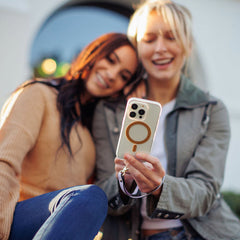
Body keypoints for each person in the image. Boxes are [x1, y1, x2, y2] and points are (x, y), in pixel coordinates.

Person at [92, 1, 240, 240]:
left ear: (188, 46)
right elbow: (102, 195)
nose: (160, 48)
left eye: (171, 37)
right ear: (137, 47)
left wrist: (160, 187)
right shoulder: (109, 110)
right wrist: (125, 183)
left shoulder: (211, 110)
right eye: (149, 39)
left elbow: (206, 192)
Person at [0, 32, 143, 240]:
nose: (112, 74)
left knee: (94, 198)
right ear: (93, 53)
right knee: (92, 197)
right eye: (110, 60)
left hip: (61, 230)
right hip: (16, 220)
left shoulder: (91, 132)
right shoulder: (39, 93)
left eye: (123, 76)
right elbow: (4, 161)